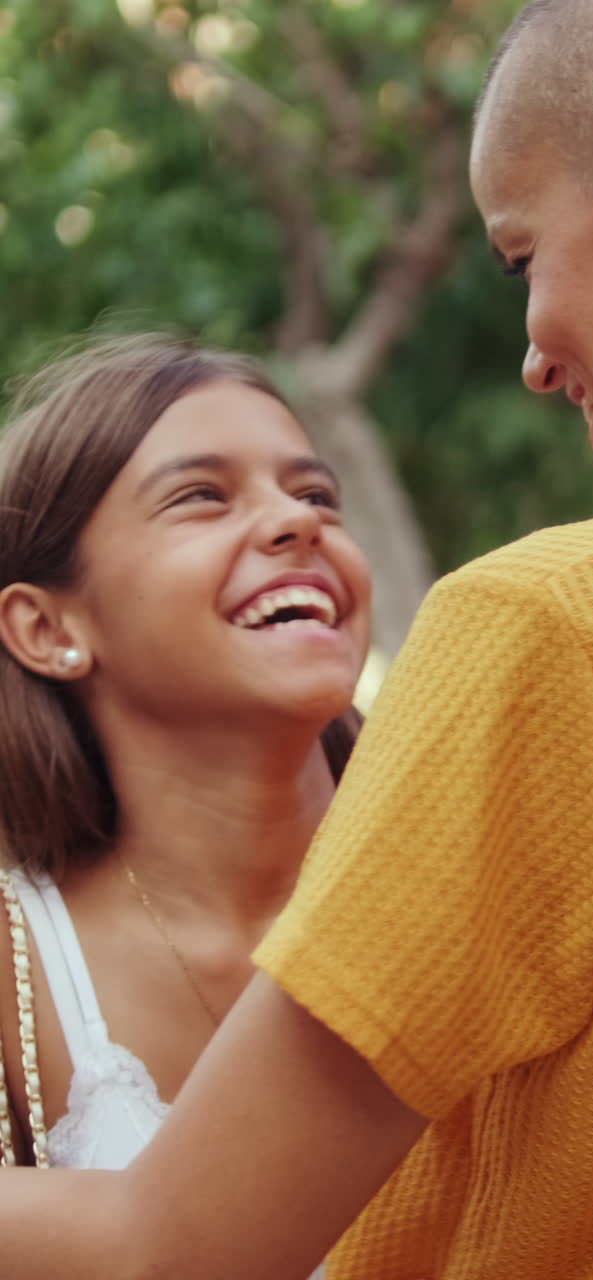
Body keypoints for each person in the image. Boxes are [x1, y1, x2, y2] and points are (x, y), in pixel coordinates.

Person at [4, 0, 593, 1275]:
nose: (532, 360)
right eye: (200, 496)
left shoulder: (559, 633)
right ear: (41, 624)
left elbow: (170, 1246)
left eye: (520, 257)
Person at [0, 333, 370, 1272]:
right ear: (47, 628)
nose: (295, 522)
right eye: (201, 496)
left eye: (316, 495)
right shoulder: (17, 964)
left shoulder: (486, 866)